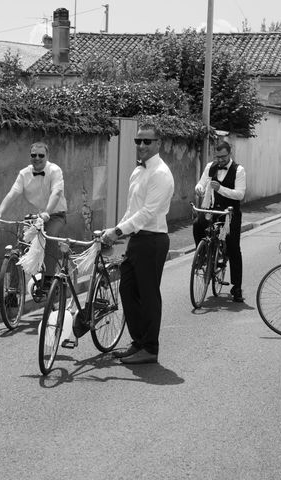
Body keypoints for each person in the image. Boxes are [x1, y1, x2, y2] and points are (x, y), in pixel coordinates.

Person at [102, 123, 174, 365]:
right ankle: (139, 342)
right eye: (138, 141)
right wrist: (114, 230)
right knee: (127, 290)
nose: (141, 146)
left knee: (148, 294)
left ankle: (150, 348)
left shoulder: (161, 173)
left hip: (153, 240)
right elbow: (132, 210)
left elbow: (147, 212)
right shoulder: (138, 171)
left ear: (158, 143)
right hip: (137, 239)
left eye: (147, 141)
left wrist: (118, 231)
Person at [0, 142, 67, 285]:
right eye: (33, 155)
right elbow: (12, 194)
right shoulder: (24, 173)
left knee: (48, 237)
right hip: (38, 216)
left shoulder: (55, 170)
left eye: (41, 155)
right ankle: (13, 292)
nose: (37, 158)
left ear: (47, 156)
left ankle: (49, 280)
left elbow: (56, 193)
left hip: (56, 215)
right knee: (20, 245)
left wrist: (47, 213)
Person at [193, 140, 246, 303]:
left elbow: (240, 194)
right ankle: (202, 256)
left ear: (230, 154)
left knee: (233, 247)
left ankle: (237, 287)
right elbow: (201, 183)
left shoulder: (239, 170)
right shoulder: (211, 167)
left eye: (223, 157)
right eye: (218, 157)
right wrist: (200, 188)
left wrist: (220, 189)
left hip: (230, 214)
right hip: (212, 209)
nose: (220, 160)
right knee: (197, 224)